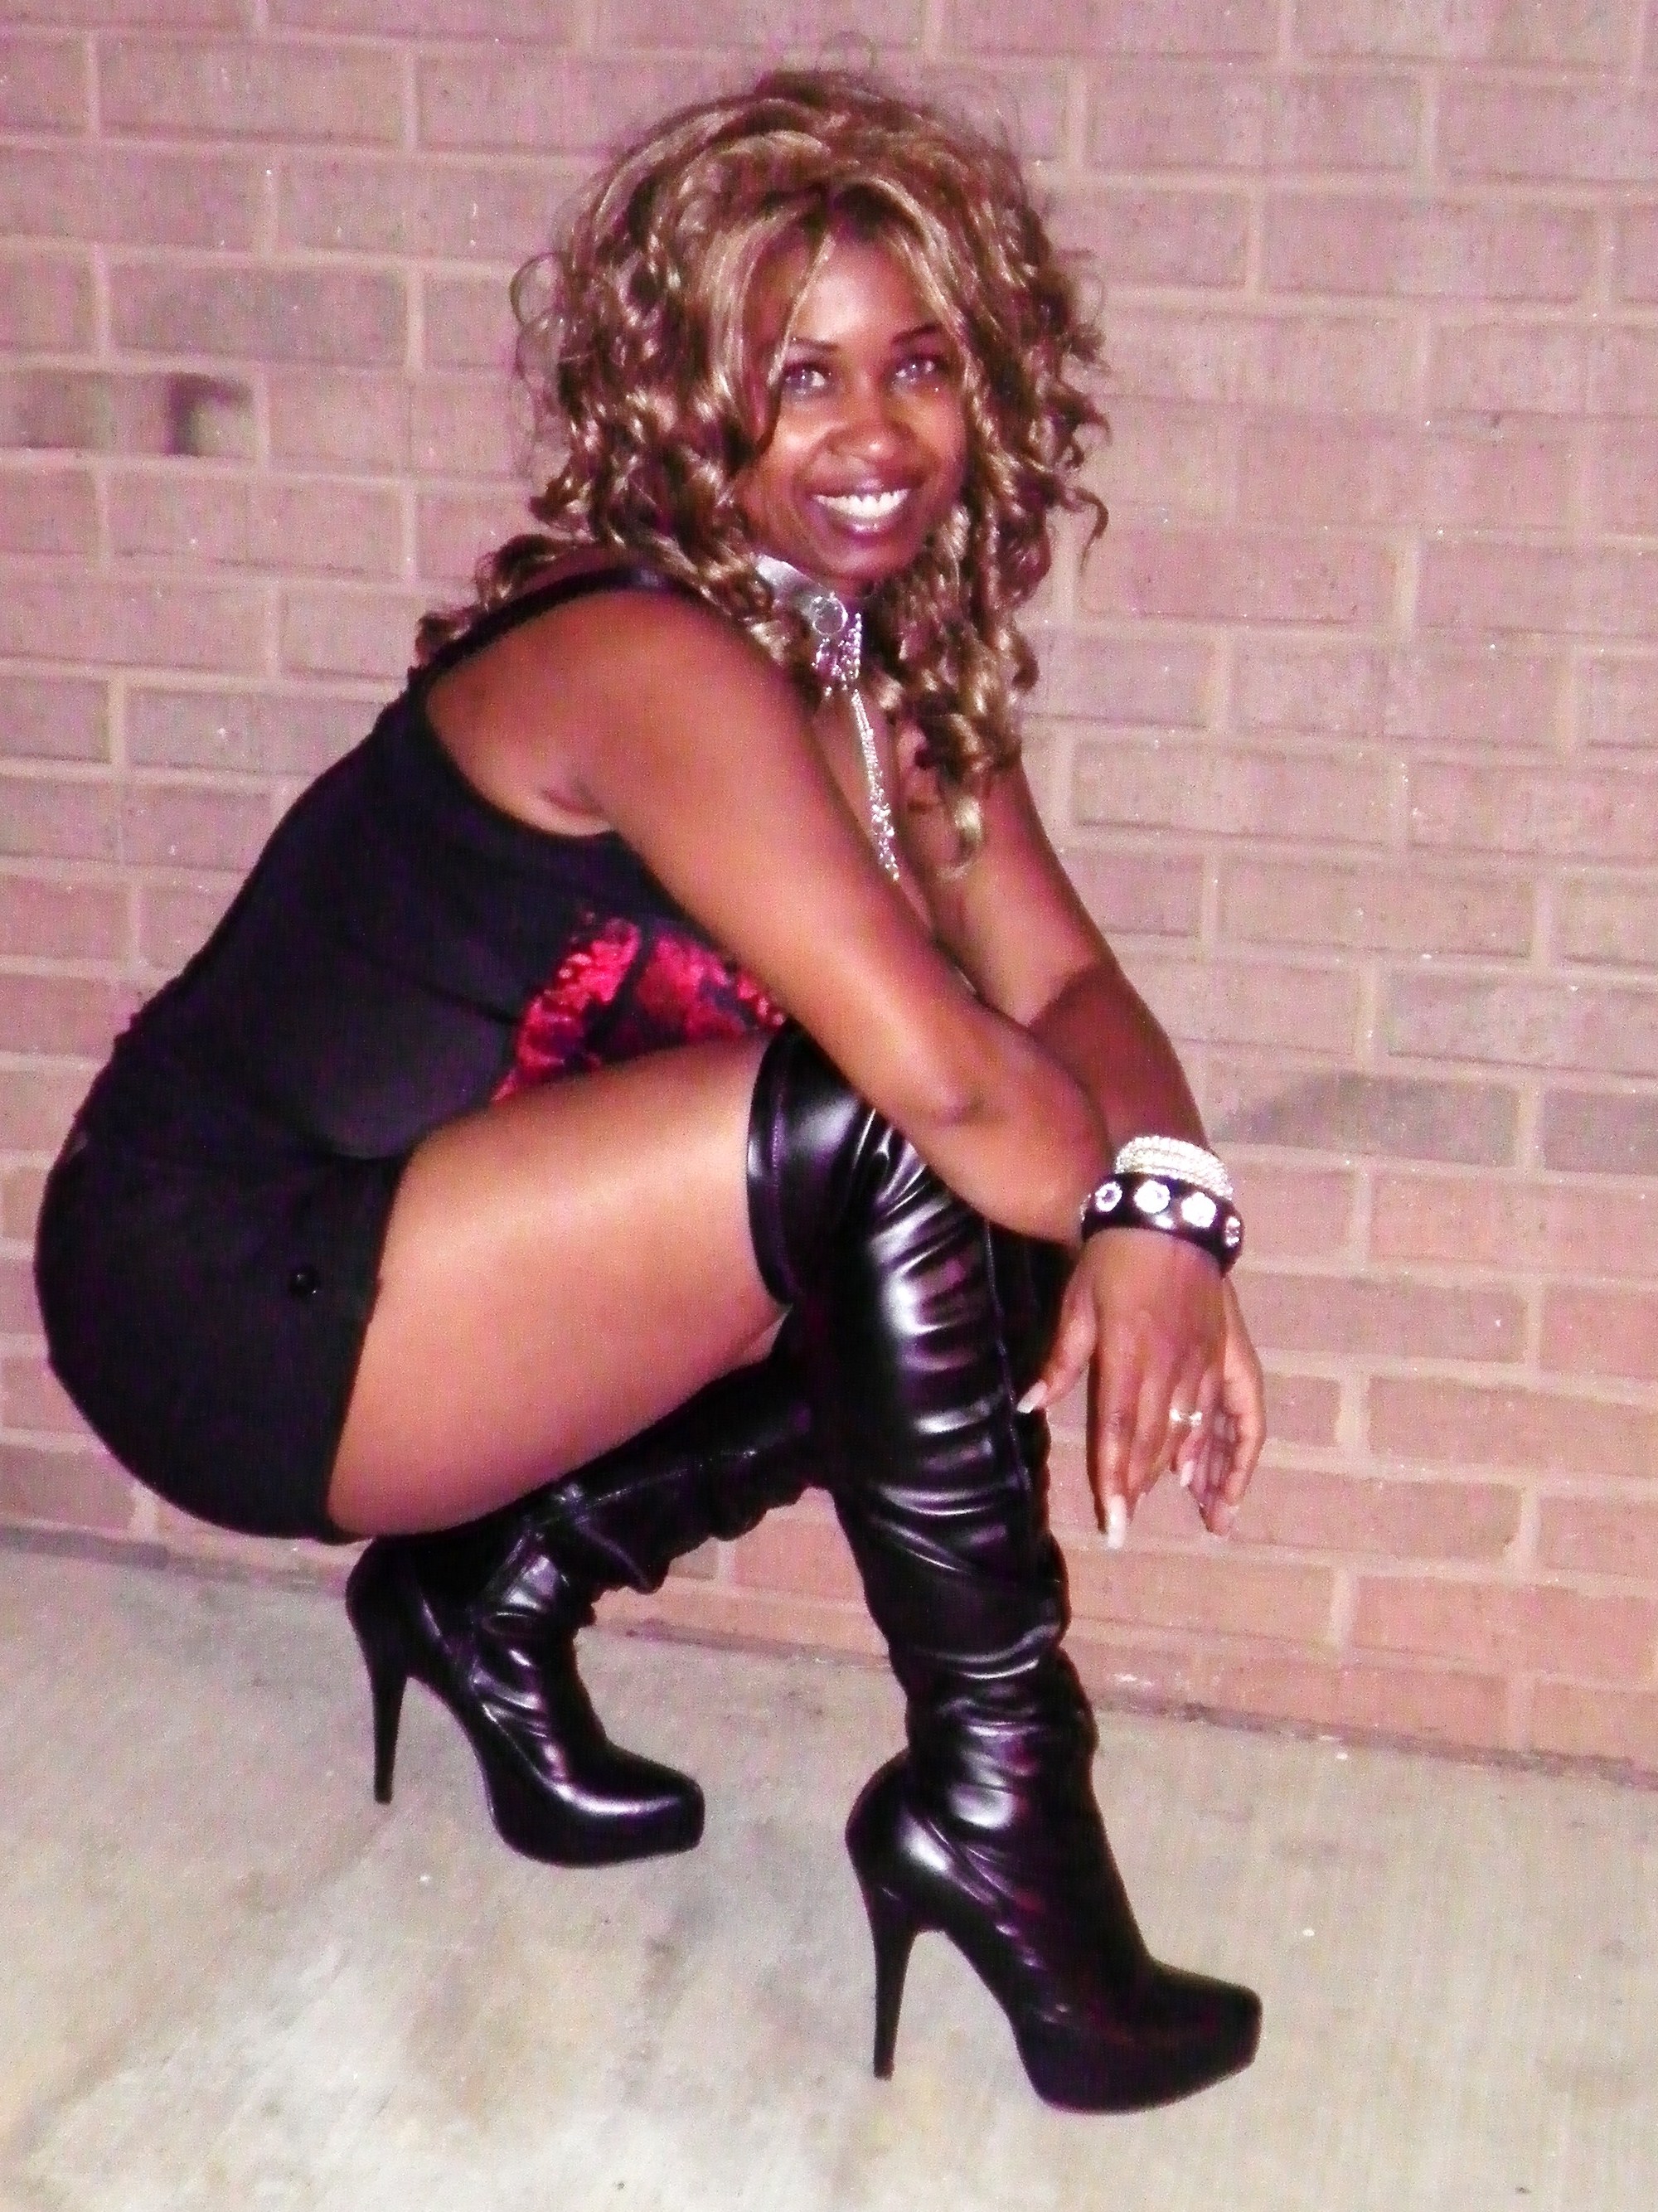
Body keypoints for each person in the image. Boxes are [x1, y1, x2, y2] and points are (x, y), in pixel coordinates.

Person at [36, 70, 1267, 2113]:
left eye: (920, 364)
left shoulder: (876, 668)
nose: (874, 434)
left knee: (1011, 1220)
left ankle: (495, 1589)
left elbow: (1067, 989)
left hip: (419, 1264)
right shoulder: (651, 661)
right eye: (801, 378)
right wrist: (1160, 1218)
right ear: (694, 405)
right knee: (908, 1146)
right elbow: (959, 1086)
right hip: (224, 1289)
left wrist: (1163, 1200)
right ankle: (1002, 1811)